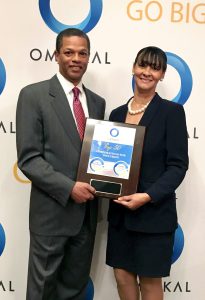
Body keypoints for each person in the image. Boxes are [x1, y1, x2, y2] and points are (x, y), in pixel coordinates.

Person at [16, 28, 105, 300]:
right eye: (68, 52)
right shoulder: (34, 95)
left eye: (82, 53)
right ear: (56, 55)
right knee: (42, 292)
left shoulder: (97, 103)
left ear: (89, 57)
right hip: (52, 216)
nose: (76, 58)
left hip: (86, 219)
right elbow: (29, 159)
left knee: (75, 292)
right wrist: (69, 188)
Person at [106, 46, 188, 300]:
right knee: (122, 277)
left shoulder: (172, 113)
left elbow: (177, 166)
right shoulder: (116, 114)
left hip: (153, 215)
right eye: (143, 65)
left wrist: (148, 196)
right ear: (133, 67)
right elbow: (109, 162)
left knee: (150, 282)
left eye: (154, 67)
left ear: (162, 75)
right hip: (120, 214)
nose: (147, 72)